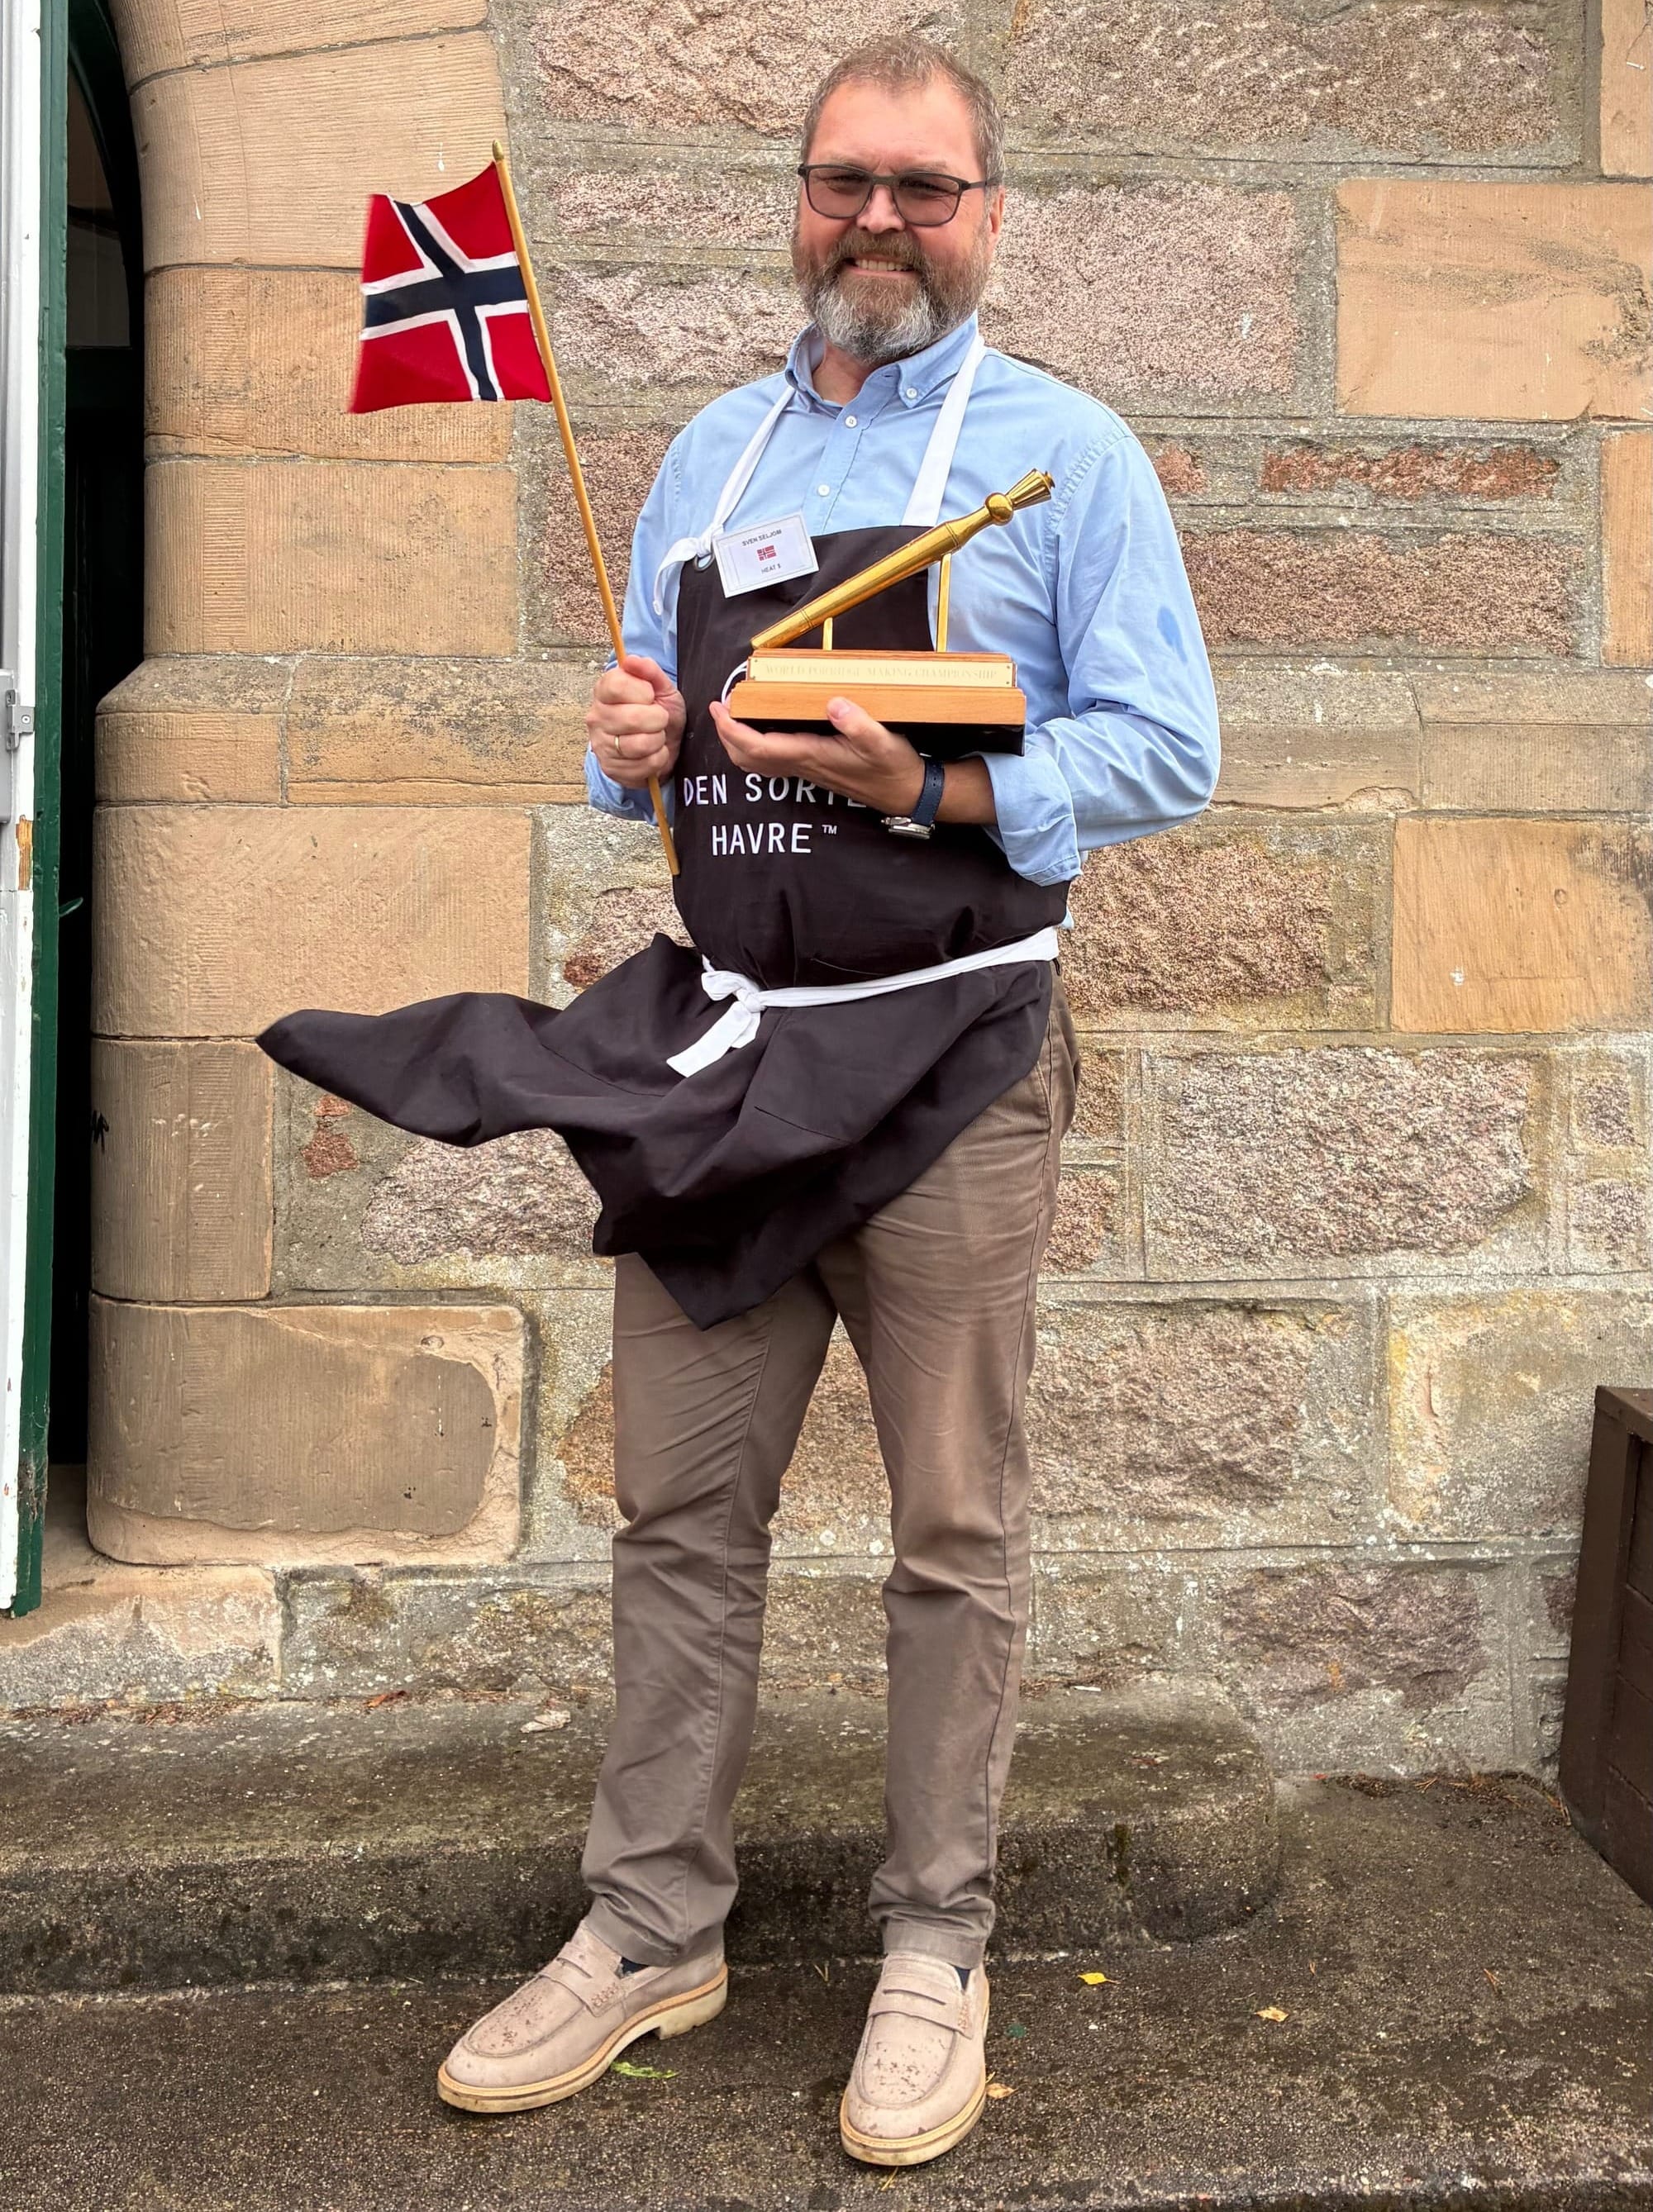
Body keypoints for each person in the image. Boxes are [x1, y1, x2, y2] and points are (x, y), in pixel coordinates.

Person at [262, 33, 1217, 2168]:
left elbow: (1172, 748)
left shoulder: (1070, 461)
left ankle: (933, 1949)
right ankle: (650, 1929)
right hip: (726, 1067)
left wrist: (946, 779)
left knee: (954, 1535)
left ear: (988, 212)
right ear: (797, 201)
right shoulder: (700, 458)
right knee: (683, 1517)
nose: (877, 220)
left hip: (956, 1067)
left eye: (923, 187)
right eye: (842, 183)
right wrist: (619, 740)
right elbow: (649, 746)